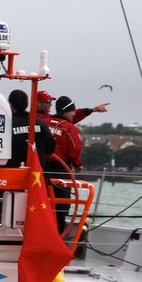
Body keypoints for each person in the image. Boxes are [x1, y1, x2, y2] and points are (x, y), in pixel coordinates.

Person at [46, 95, 85, 234]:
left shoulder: (44, 122)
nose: (74, 114)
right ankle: (57, 237)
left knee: (42, 205)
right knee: (60, 208)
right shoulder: (69, 128)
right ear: (66, 111)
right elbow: (75, 148)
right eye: (72, 111)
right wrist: (78, 165)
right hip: (61, 171)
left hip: (41, 170)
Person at [6, 90, 54, 168]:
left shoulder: (6, 124)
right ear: (27, 104)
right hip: (37, 175)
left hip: (11, 173)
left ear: (11, 105)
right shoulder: (40, 123)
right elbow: (51, 148)